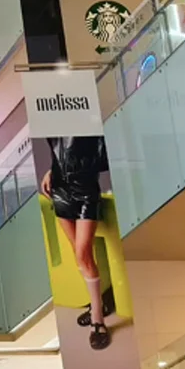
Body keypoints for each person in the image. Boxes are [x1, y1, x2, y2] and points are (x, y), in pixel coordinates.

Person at [40, 135, 113, 350]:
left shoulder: (84, 120)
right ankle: (97, 305)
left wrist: (80, 167)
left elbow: (103, 155)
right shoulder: (51, 121)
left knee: (83, 255)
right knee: (78, 254)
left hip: (86, 190)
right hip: (59, 189)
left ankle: (97, 318)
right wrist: (51, 170)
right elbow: (59, 150)